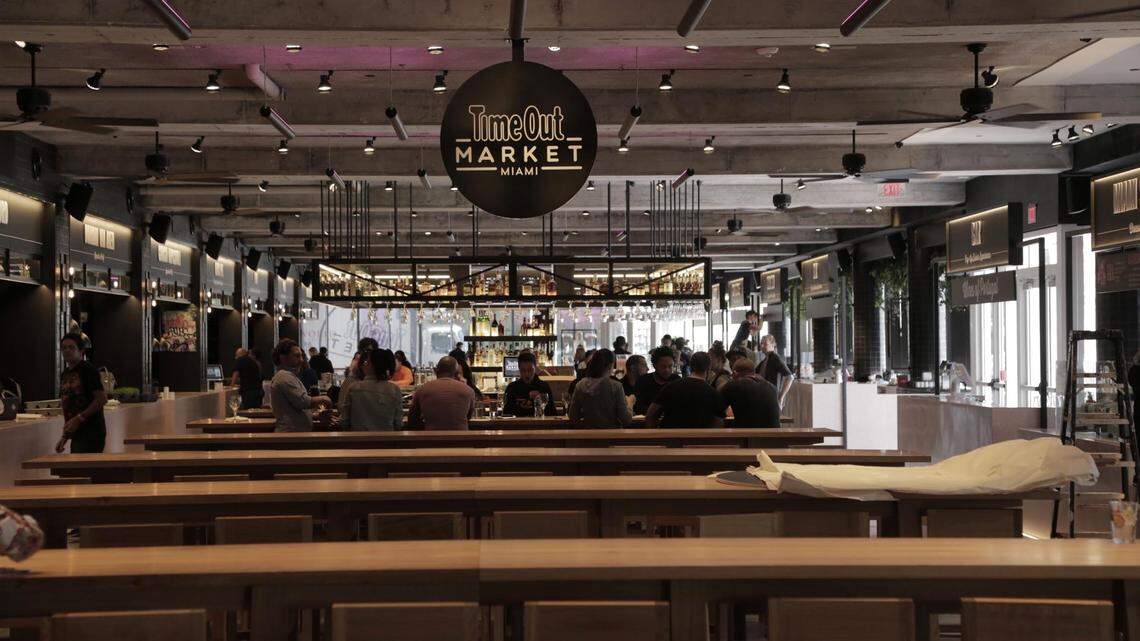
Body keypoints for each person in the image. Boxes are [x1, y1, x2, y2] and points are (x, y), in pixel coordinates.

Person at [54, 333, 108, 453]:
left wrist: (79, 418)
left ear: (81, 351)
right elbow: (68, 404)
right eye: (64, 348)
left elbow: (102, 399)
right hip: (76, 432)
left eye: (71, 347)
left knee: (82, 464)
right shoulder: (65, 374)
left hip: (92, 431)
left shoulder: (88, 370)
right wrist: (64, 437)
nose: (67, 350)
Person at [645, 351, 724, 428]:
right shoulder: (713, 393)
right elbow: (719, 423)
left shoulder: (671, 387)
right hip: (699, 436)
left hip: (670, 435)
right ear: (709, 368)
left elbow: (651, 414)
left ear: (691, 366)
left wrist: (655, 434)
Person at [269, 339, 332, 432]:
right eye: (297, 356)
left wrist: (314, 416)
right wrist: (324, 398)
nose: (302, 360)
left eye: (301, 356)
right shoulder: (284, 377)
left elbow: (294, 410)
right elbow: (303, 401)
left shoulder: (288, 376)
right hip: (290, 434)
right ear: (283, 358)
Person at [340, 349, 403, 430]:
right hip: (386, 437)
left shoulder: (353, 388)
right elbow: (398, 424)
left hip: (358, 437)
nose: (364, 364)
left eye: (367, 362)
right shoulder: (395, 390)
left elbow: (344, 422)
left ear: (372, 365)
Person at [407, 356, 476, 430]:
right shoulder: (468, 390)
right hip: (461, 436)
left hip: (431, 436)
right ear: (456, 374)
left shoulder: (422, 389)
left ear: (436, 371)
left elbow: (412, 419)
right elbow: (469, 416)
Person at [568, 348, 633, 428]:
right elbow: (626, 420)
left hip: (588, 433)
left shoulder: (580, 385)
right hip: (612, 434)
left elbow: (573, 417)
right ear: (610, 366)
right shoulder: (616, 386)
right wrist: (630, 403)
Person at [720, 358, 782, 428]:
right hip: (775, 434)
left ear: (734, 373)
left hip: (748, 434)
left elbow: (719, 410)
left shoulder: (733, 385)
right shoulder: (772, 387)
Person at [503, 351, 555, 416]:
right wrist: (520, 407)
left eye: (530, 370)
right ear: (519, 369)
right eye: (523, 370)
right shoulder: (512, 387)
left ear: (535, 368)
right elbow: (506, 413)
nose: (527, 374)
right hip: (518, 422)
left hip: (539, 422)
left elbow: (553, 413)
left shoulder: (544, 387)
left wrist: (540, 400)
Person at [632, 346, 682, 415]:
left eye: (670, 366)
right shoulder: (643, 381)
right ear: (655, 366)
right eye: (663, 366)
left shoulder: (677, 381)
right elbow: (638, 407)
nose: (667, 370)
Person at [756, 334, 794, 409]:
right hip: (765, 397)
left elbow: (790, 377)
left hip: (773, 399)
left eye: (765, 344)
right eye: (761, 343)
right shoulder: (765, 360)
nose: (762, 346)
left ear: (773, 345)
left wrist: (781, 398)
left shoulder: (775, 358)